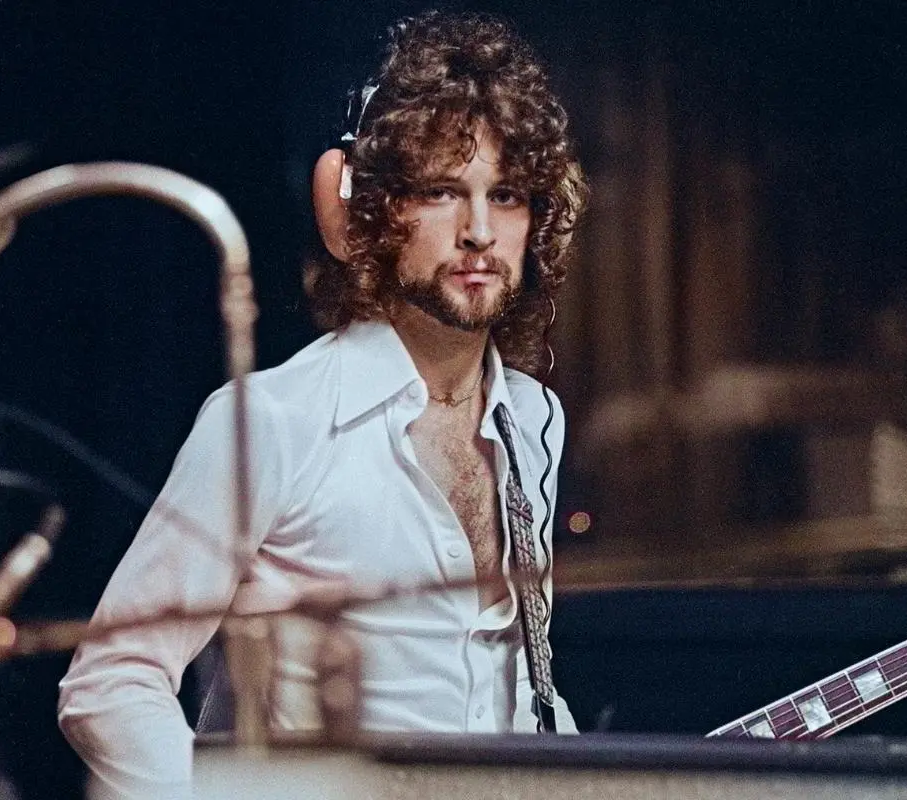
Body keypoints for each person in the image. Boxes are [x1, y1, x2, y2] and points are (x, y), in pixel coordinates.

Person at [57, 10, 587, 798]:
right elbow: (112, 682)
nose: (480, 231)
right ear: (370, 208)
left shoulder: (534, 421)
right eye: (443, 191)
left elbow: (515, 691)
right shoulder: (270, 420)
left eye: (505, 195)